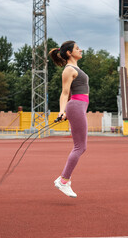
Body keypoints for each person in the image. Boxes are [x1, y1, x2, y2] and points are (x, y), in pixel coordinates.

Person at [49, 41, 89, 198]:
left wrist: (66, 113)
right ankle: (64, 180)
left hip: (78, 106)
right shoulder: (69, 70)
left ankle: (64, 179)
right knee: (80, 147)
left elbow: (72, 93)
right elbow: (65, 93)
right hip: (76, 106)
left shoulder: (76, 68)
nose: (80, 49)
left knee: (81, 146)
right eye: (77, 48)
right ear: (69, 53)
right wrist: (61, 111)